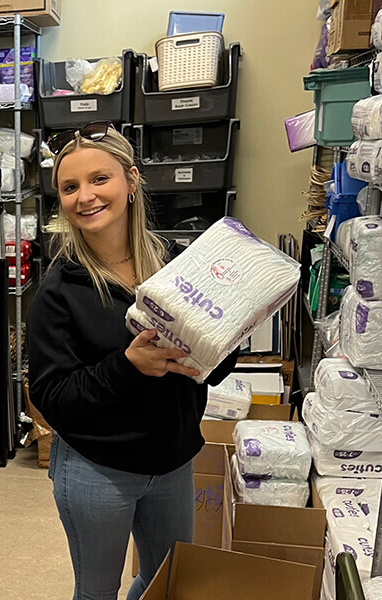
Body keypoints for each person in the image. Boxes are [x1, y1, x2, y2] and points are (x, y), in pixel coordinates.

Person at [25, 122, 239, 600]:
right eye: (70, 187)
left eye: (99, 179)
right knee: (98, 591)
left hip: (173, 460)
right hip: (96, 468)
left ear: (131, 179)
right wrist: (128, 365)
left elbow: (217, 361)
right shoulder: (59, 292)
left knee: (167, 584)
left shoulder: (177, 264)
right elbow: (52, 399)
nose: (85, 196)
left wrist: (224, 340)